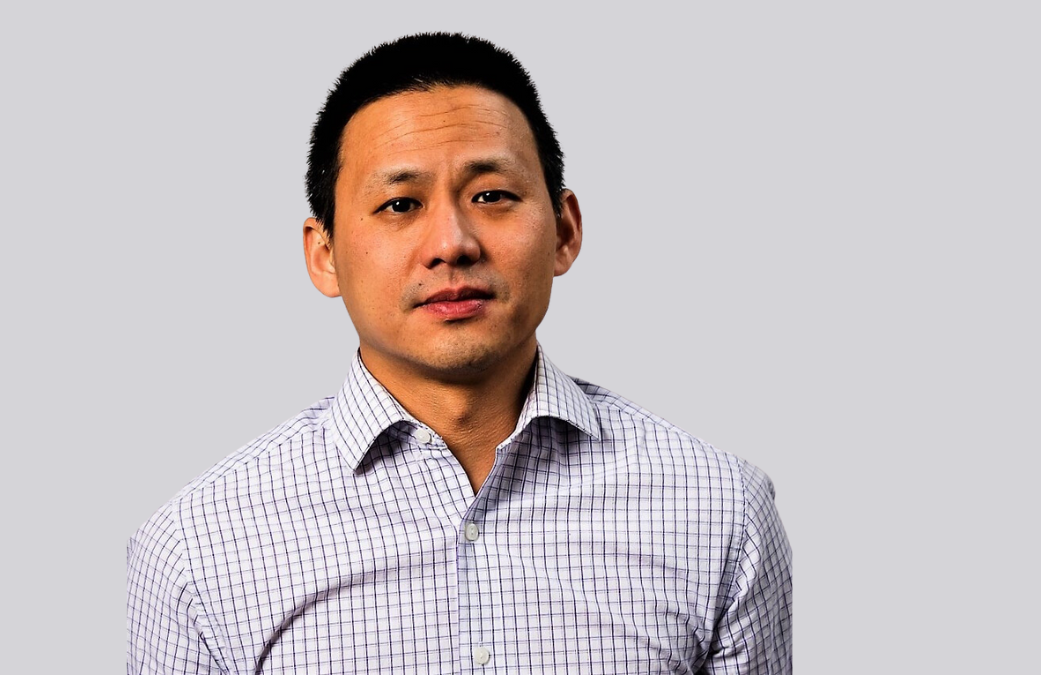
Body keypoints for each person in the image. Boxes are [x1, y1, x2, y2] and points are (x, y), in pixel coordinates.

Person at [127, 33, 792, 674]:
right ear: (323, 254)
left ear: (564, 230)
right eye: (399, 203)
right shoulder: (196, 546)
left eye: (491, 195)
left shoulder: (720, 511)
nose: (452, 242)